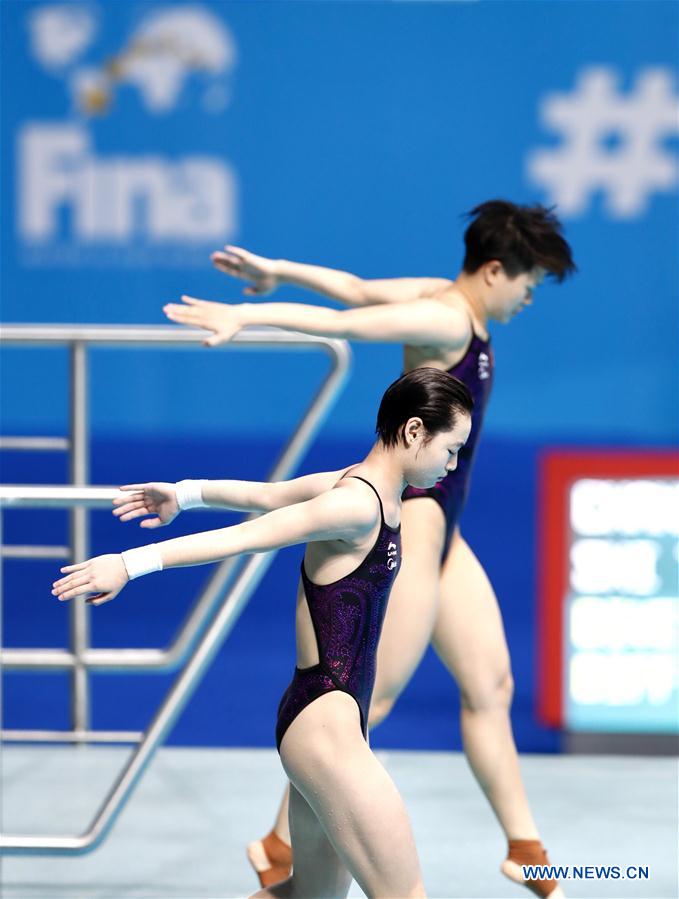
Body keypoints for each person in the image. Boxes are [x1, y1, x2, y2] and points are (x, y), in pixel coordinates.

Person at [162, 200, 575, 899]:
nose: (529, 298)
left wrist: (277, 271)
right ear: (496, 270)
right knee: (367, 696)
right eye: (528, 284)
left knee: (490, 684)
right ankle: (278, 842)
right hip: (412, 524)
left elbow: (352, 288)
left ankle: (522, 849)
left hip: (447, 533)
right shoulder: (444, 317)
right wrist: (248, 317)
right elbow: (346, 323)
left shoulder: (448, 300)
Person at [53, 368, 474, 899]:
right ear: (414, 431)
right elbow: (250, 535)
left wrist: (183, 495)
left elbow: (267, 495)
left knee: (308, 897)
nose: (452, 464)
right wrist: (130, 563)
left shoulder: (357, 486)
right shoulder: (355, 504)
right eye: (451, 448)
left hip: (330, 723)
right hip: (326, 730)